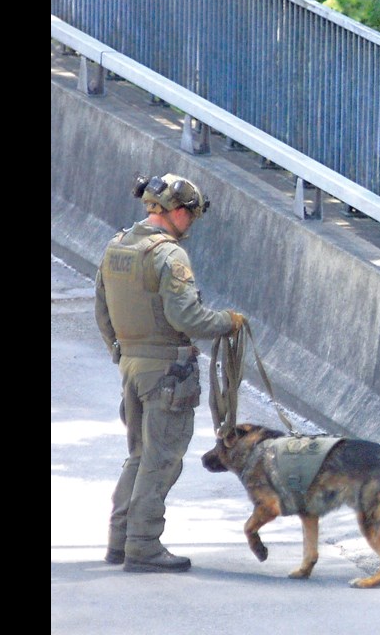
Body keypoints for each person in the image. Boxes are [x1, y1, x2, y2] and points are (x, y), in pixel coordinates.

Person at [94, 172, 246, 572]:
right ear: (177, 211)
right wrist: (227, 322)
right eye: (191, 215)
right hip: (166, 371)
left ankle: (119, 540)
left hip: (131, 366)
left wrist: (121, 351)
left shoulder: (118, 245)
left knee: (140, 454)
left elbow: (102, 309)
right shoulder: (169, 255)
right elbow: (187, 315)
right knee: (161, 459)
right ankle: (142, 545)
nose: (191, 223)